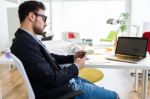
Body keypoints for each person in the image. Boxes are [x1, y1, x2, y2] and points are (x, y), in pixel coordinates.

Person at [10, 1, 119, 99]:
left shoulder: (27, 39)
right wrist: (76, 66)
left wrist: (73, 58)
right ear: (32, 16)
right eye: (44, 18)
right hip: (64, 90)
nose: (46, 23)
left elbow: (50, 57)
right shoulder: (24, 44)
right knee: (115, 96)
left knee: (101, 90)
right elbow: (51, 79)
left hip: (67, 82)